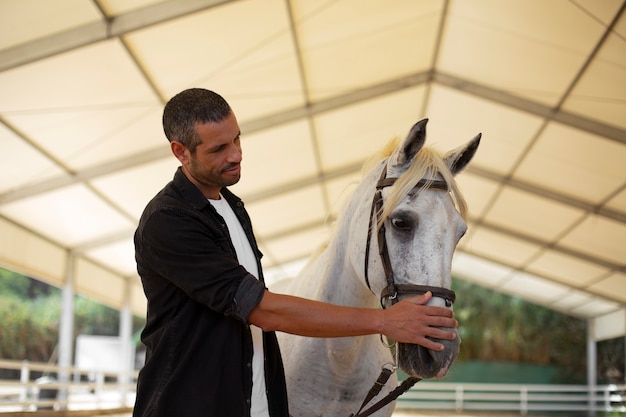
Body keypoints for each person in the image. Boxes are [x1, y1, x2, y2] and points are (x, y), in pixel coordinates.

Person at [132, 88, 458, 417]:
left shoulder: (231, 206)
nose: (235, 155)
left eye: (237, 140)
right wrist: (384, 321)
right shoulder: (168, 221)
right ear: (181, 152)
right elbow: (261, 310)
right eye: (219, 148)